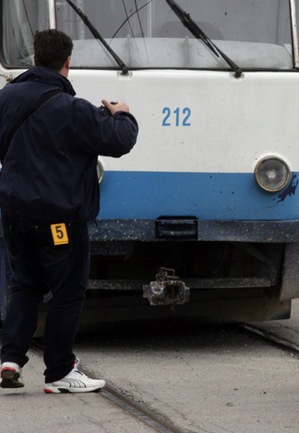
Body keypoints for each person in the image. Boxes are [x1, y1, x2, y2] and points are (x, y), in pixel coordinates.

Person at [0, 29, 138, 393]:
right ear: (67, 62)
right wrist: (123, 115)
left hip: (14, 214)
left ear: (34, 58)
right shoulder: (72, 109)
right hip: (58, 218)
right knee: (67, 291)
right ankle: (60, 371)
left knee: (25, 286)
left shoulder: (6, 97)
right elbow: (119, 141)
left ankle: (9, 359)